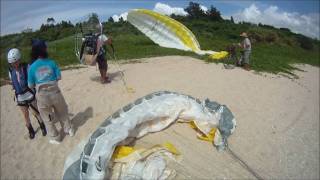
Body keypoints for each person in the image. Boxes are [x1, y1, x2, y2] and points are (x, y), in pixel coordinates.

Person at [28, 39, 74, 144]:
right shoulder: (52, 63)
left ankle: (55, 137)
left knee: (47, 118)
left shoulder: (31, 67)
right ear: (44, 50)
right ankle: (69, 130)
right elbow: (58, 77)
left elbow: (30, 85)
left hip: (42, 96)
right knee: (62, 112)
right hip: (55, 93)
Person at [7, 48, 47, 139]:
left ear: (19, 59)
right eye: (13, 63)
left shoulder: (26, 67)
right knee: (25, 115)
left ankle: (42, 126)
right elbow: (13, 83)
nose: (15, 64)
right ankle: (30, 130)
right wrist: (12, 86)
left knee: (35, 112)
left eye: (16, 62)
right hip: (20, 97)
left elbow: (33, 78)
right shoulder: (11, 72)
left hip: (29, 94)